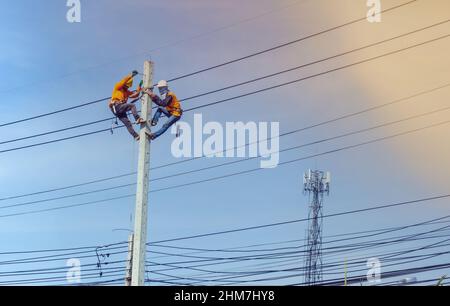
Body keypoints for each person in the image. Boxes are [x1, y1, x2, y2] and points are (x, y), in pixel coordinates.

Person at [109, 71, 145, 141]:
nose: (127, 88)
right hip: (116, 106)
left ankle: (136, 136)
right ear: (125, 84)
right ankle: (137, 118)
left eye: (128, 86)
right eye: (126, 86)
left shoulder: (126, 92)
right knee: (132, 105)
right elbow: (123, 81)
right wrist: (131, 75)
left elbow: (135, 94)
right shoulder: (118, 87)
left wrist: (139, 86)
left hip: (119, 110)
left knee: (128, 123)